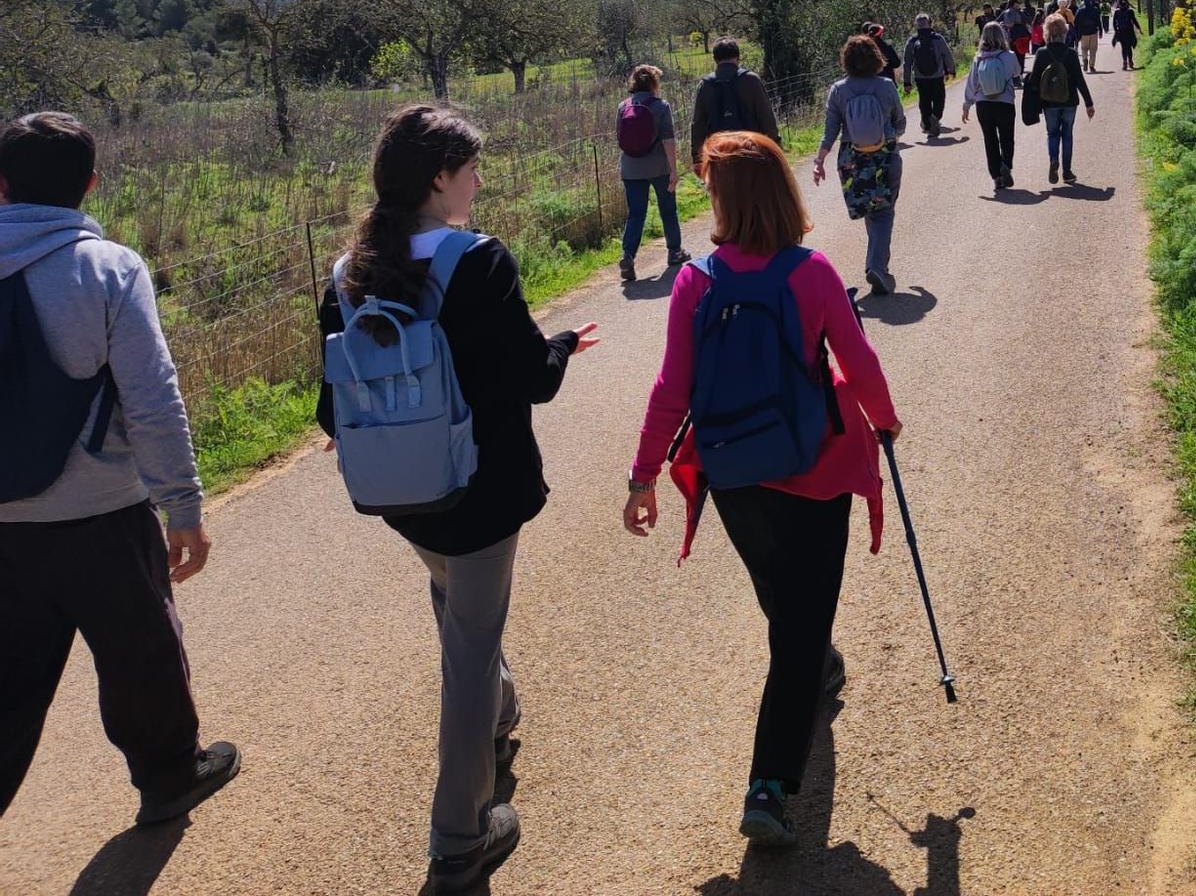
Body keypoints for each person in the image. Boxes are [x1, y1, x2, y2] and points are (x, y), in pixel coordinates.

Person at [317, 104, 599, 893]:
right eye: (471, 167)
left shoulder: (349, 272)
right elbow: (531, 379)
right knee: (469, 651)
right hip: (479, 490)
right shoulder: (478, 261)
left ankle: (502, 714)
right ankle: (458, 841)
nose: (478, 180)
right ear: (439, 177)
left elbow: (325, 404)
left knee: (453, 599)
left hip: (397, 492)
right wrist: (565, 342)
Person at [623, 130, 902, 849]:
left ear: (723, 198)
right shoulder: (810, 274)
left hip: (735, 473)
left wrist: (644, 475)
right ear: (781, 192)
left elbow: (670, 390)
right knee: (799, 626)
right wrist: (887, 422)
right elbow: (859, 360)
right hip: (812, 472)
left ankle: (816, 662)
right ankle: (769, 786)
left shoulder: (697, 281)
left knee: (787, 604)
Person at [0, 112, 240, 827]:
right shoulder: (107, 268)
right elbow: (151, 397)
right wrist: (183, 506)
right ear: (92, 184)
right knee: (142, 656)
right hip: (101, 512)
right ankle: (168, 779)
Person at [813, 36, 906, 296]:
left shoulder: (839, 90)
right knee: (884, 211)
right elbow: (901, 123)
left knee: (869, 209)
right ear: (876, 57)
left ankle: (877, 263)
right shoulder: (886, 86)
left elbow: (830, 130)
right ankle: (877, 266)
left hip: (851, 160)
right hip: (884, 157)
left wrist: (819, 161)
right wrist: (888, 136)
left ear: (846, 60)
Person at [617, 65, 688, 283]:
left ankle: (628, 256)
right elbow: (668, 139)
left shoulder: (623, 106)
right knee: (668, 209)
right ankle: (675, 251)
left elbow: (619, 137)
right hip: (658, 166)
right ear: (654, 83)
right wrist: (673, 171)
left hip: (630, 168)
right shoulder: (661, 106)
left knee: (636, 214)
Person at [690, 39, 780, 176]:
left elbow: (698, 124)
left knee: (722, 195)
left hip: (719, 153)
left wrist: (697, 157)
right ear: (738, 56)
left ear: (715, 59)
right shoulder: (751, 80)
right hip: (750, 149)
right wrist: (775, 145)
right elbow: (766, 116)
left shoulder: (705, 85)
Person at [1029, 15, 1094, 185]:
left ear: (1047, 32)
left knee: (1052, 134)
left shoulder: (1041, 53)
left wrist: (1033, 103)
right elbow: (1080, 80)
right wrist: (1089, 102)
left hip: (1049, 103)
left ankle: (1053, 160)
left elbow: (1034, 81)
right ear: (1065, 32)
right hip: (1069, 101)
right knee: (1067, 135)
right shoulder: (1071, 53)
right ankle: (1067, 172)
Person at [961, 21, 1023, 192]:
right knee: (1007, 138)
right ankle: (1006, 166)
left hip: (983, 104)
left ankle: (996, 177)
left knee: (990, 140)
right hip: (1005, 103)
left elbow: (972, 84)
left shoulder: (978, 57)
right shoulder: (1009, 55)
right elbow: (1017, 72)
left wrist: (967, 105)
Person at [902, 13, 957, 137]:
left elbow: (907, 63)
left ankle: (927, 125)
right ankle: (935, 116)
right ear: (929, 23)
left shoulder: (912, 41)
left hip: (920, 77)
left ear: (916, 25)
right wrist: (951, 69)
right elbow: (947, 55)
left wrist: (907, 82)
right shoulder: (938, 39)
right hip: (937, 76)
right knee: (939, 98)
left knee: (924, 100)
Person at [1072, 0, 1104, 73]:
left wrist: (1076, 32)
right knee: (1093, 50)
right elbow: (1098, 21)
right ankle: (1091, 66)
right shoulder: (1095, 10)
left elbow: (1075, 22)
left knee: (1084, 48)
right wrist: (1100, 31)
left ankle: (1085, 59)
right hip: (1093, 32)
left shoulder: (1080, 11)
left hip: (1083, 33)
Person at [1111, 0, 1140, 70]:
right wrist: (1139, 28)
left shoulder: (1117, 12)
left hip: (1121, 32)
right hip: (1129, 32)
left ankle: (1124, 62)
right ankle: (1130, 61)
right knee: (1129, 48)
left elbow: (1114, 23)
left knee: (1123, 48)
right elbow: (1134, 21)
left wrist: (1116, 31)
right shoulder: (1130, 11)